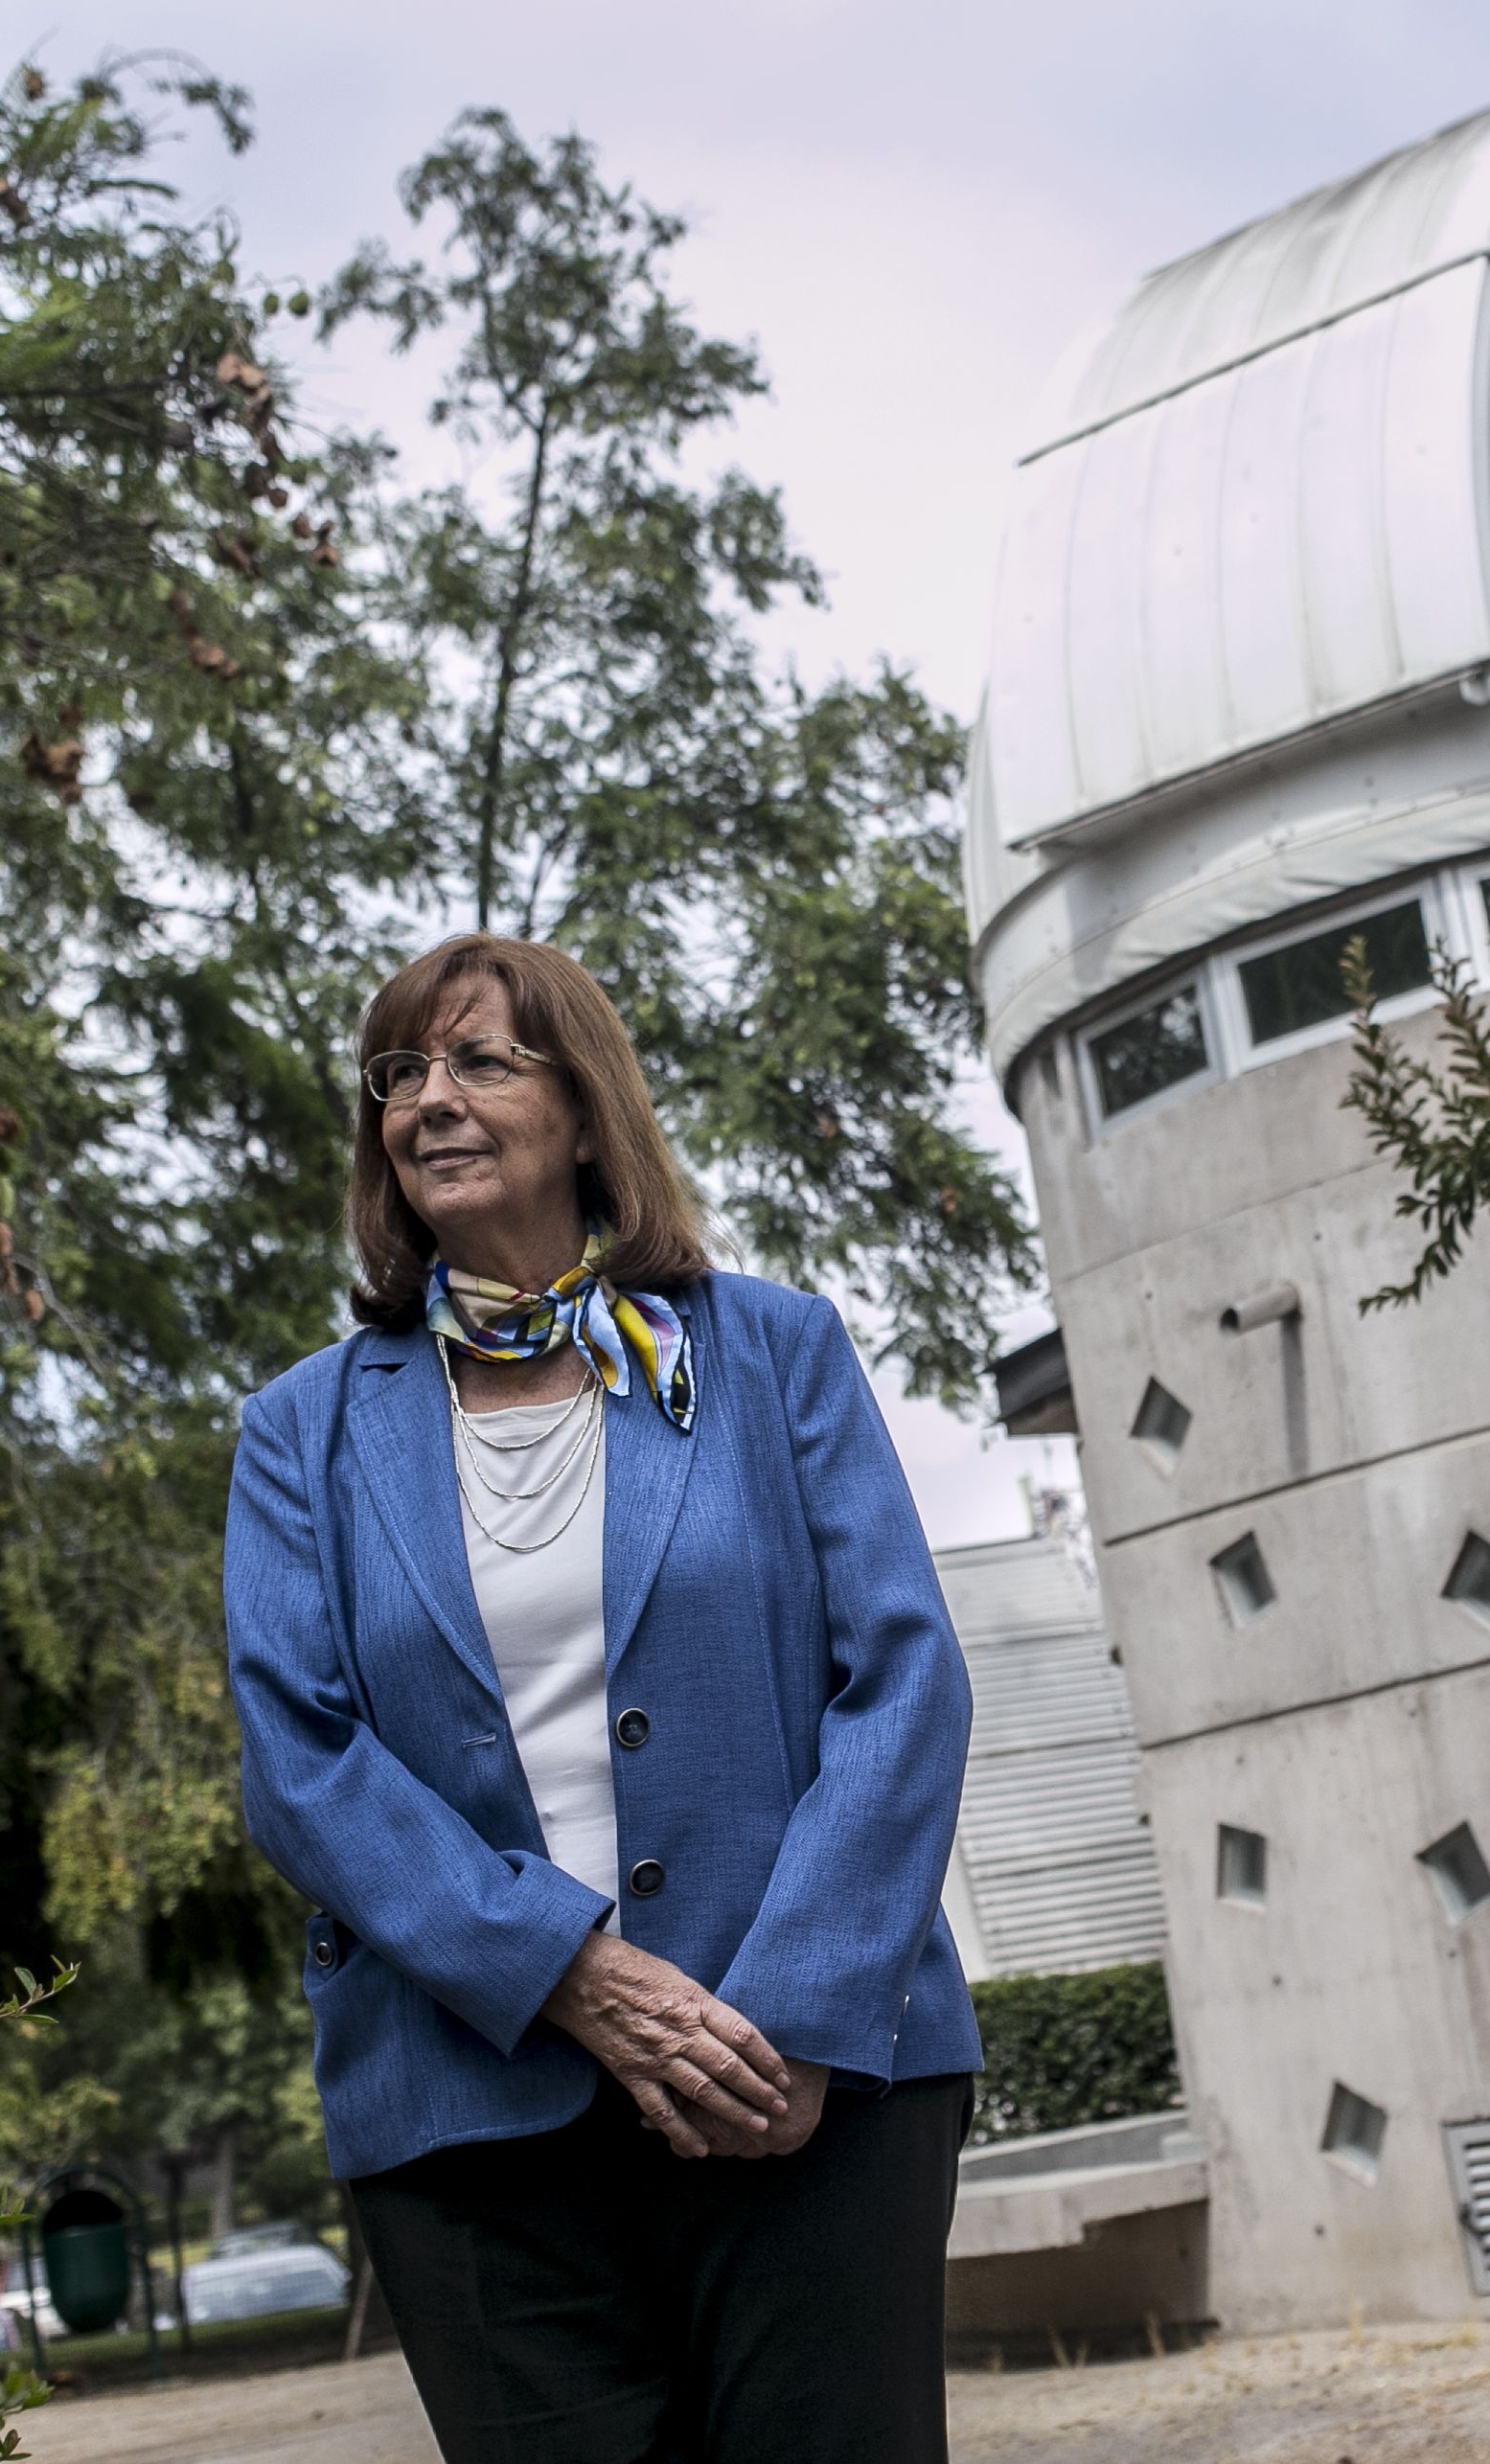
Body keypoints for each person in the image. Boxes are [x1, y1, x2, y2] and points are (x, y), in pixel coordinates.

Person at [225, 935, 979, 2463]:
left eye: (479, 1062)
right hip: (467, 2115)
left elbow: (902, 1678)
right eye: (398, 1074)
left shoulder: (772, 1353)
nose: (428, 1101)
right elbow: (299, 1757)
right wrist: (567, 1974)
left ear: (583, 1111)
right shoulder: (299, 1431)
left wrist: (794, 2018)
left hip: (805, 2086)